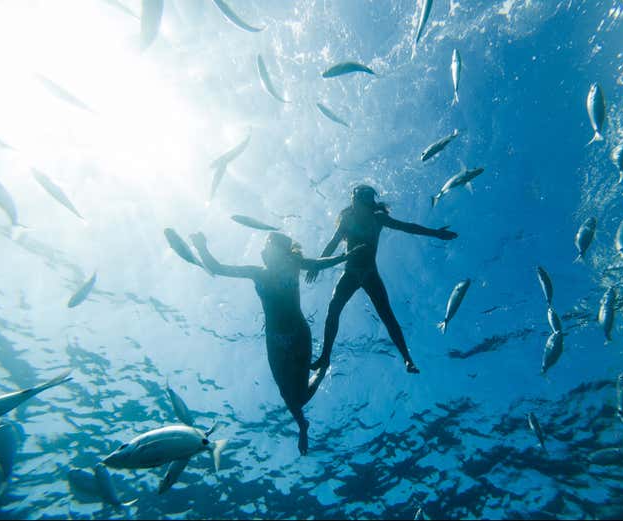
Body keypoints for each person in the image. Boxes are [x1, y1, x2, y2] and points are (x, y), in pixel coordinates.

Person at [189, 231, 363, 455]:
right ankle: (303, 425)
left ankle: (320, 372)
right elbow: (219, 268)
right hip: (275, 341)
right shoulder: (257, 273)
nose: (262, 249)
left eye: (267, 244)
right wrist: (202, 247)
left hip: (299, 335)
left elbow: (320, 264)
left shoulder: (294, 263)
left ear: (280, 250)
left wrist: (345, 257)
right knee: (286, 394)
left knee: (299, 395)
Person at [305, 184, 458, 374]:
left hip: (370, 274)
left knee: (387, 315)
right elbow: (333, 243)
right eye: (361, 196)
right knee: (333, 309)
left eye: (369, 198)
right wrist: (317, 265)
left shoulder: (378, 218)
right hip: (350, 273)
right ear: (353, 199)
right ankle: (325, 358)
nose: (364, 201)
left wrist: (436, 233)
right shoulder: (347, 219)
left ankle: (408, 360)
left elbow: (407, 227)